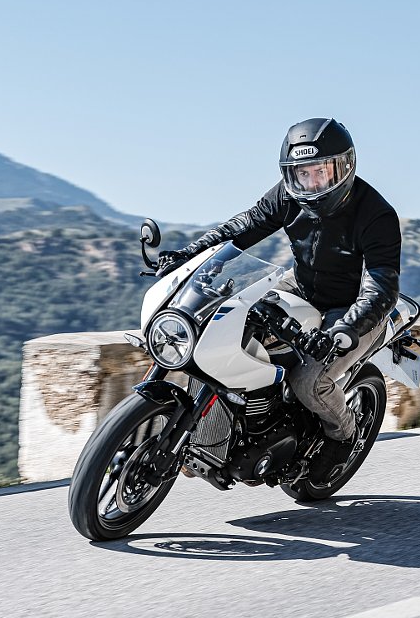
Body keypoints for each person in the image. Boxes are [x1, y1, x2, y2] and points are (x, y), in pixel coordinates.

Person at [160, 117, 401, 485]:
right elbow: (244, 227)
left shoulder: (376, 214)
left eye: (320, 172)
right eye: (302, 174)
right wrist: (190, 254)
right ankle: (236, 425)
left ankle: (343, 434)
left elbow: (381, 286)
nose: (312, 183)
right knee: (226, 324)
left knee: (309, 381)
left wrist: (345, 330)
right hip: (300, 286)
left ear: (345, 167)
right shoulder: (289, 196)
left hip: (353, 309)